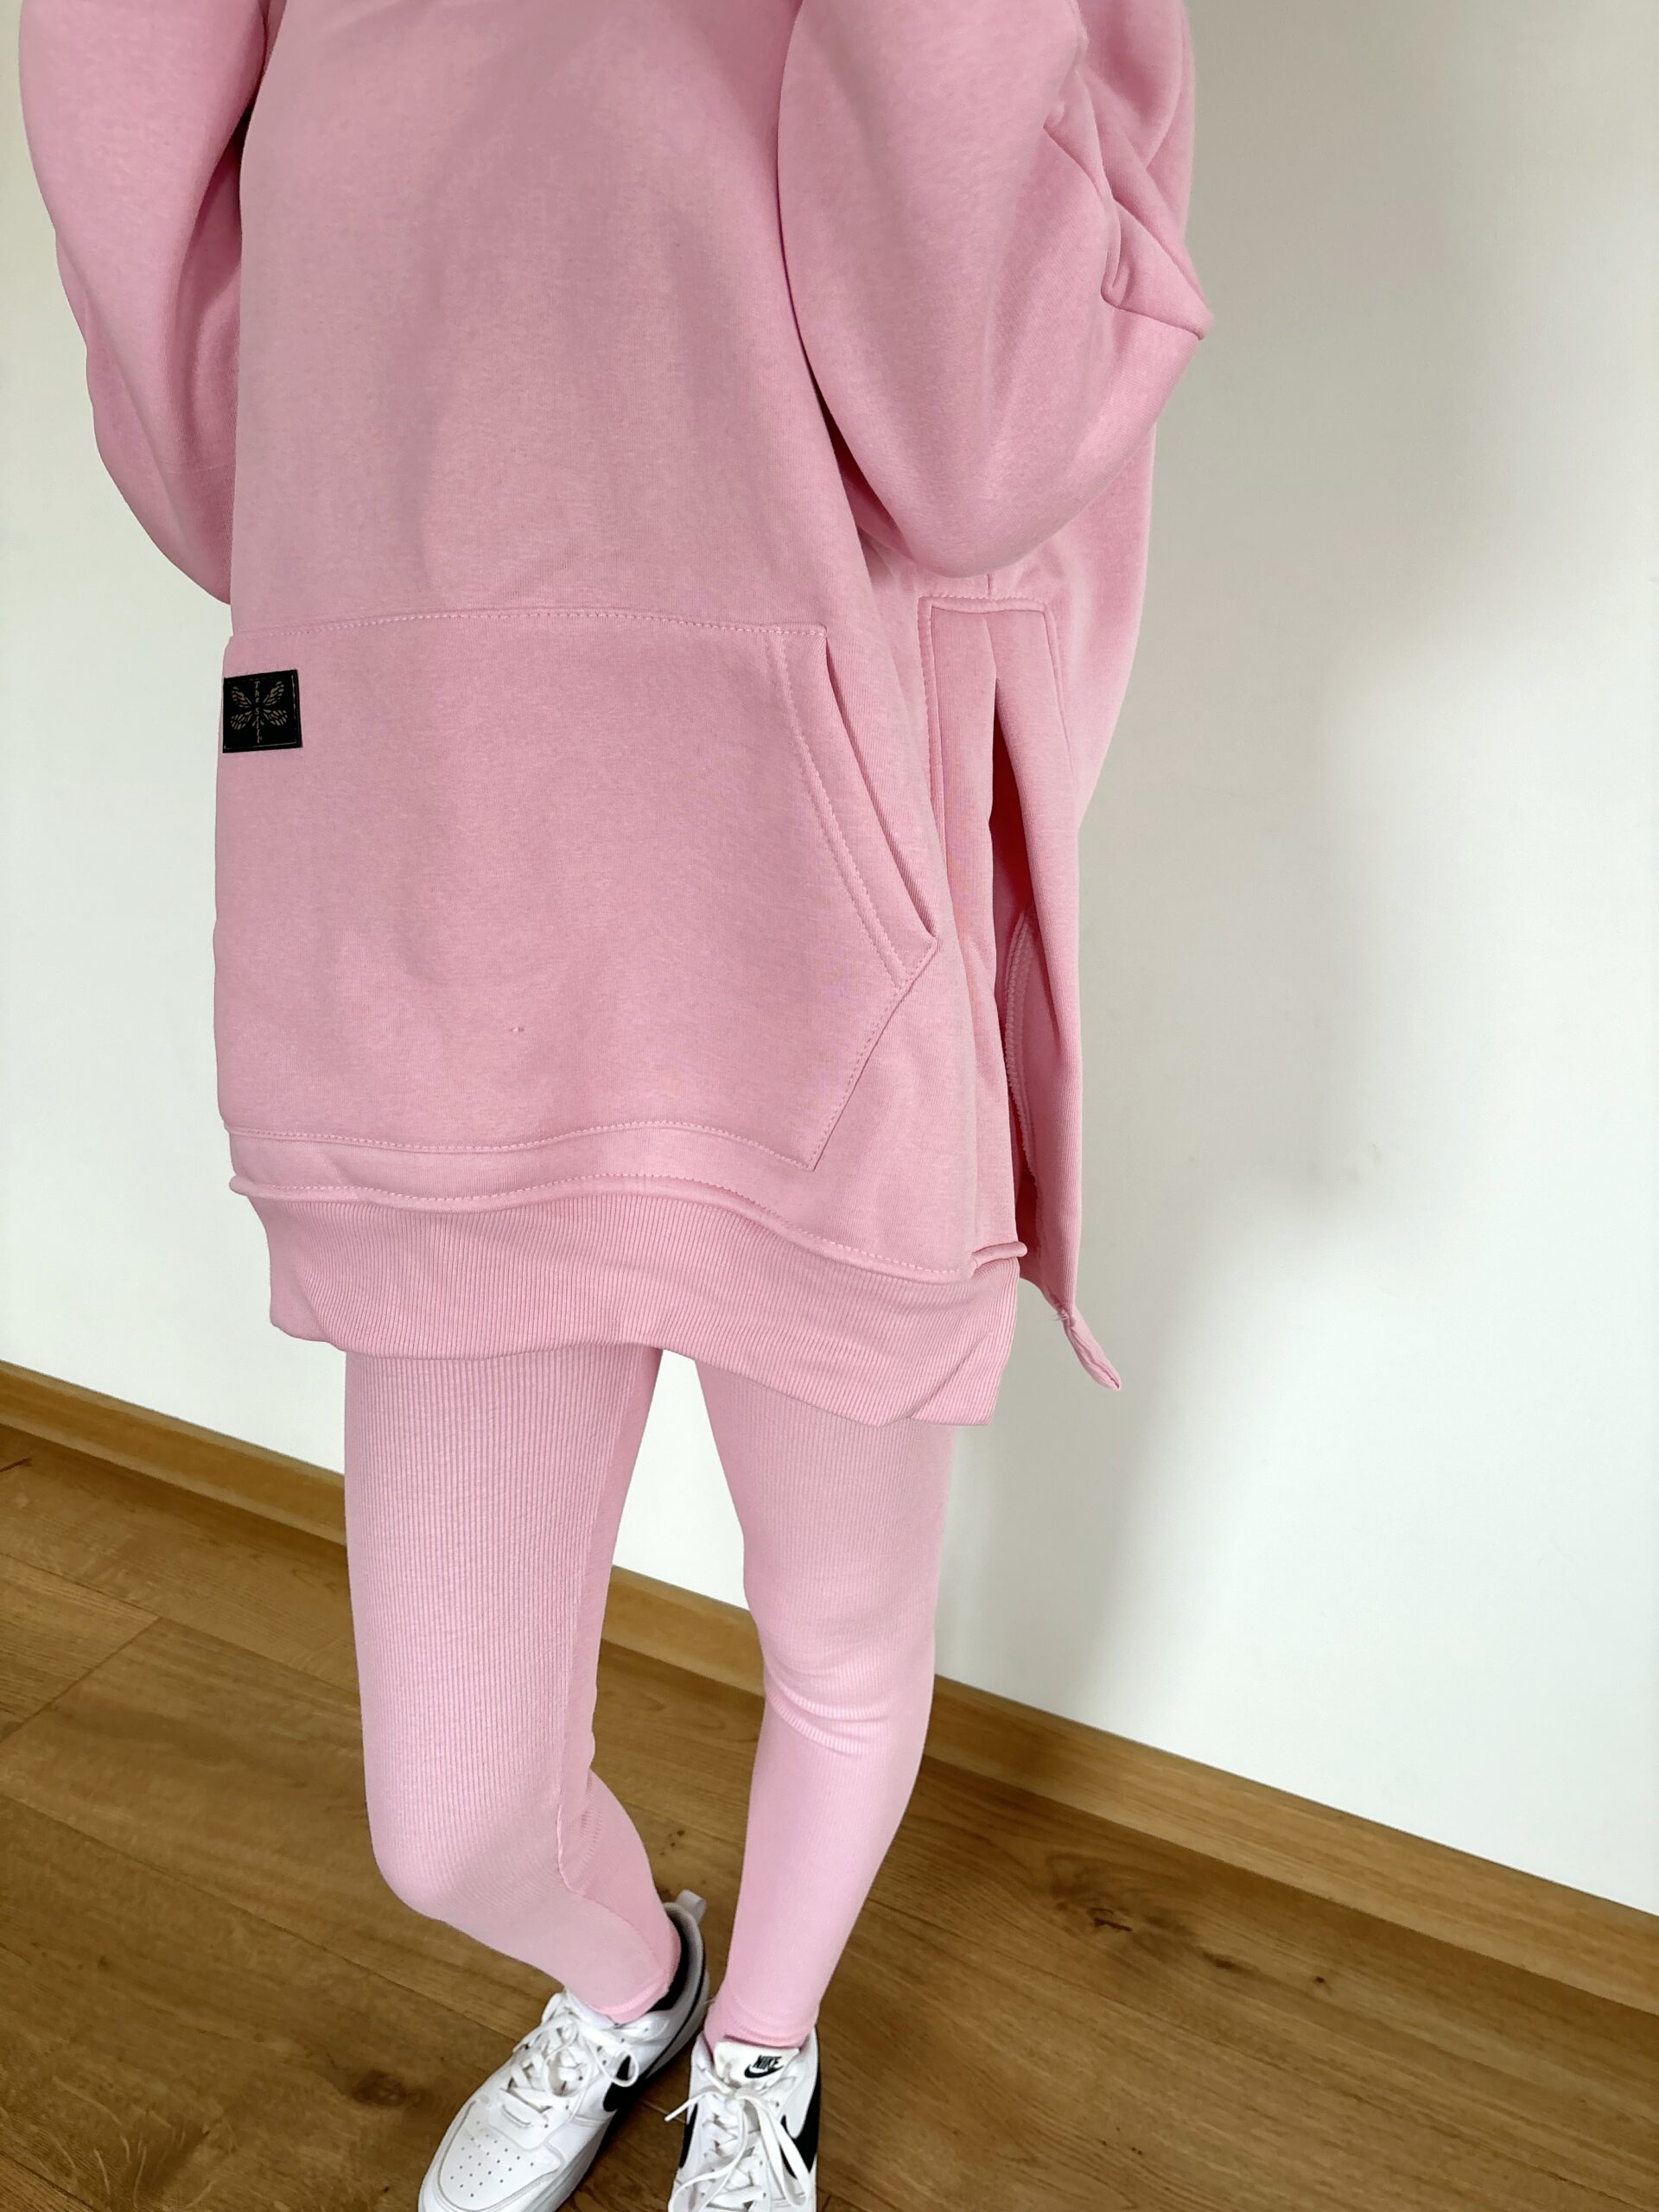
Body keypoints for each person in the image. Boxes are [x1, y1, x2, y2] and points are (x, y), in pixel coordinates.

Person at [19, 2, 1207, 2205]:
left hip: (818, 972)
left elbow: (986, 434)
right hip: (444, 971)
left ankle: (765, 2043)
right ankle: (639, 1976)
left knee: (839, 1634)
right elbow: (217, 449)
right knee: (450, 1805)